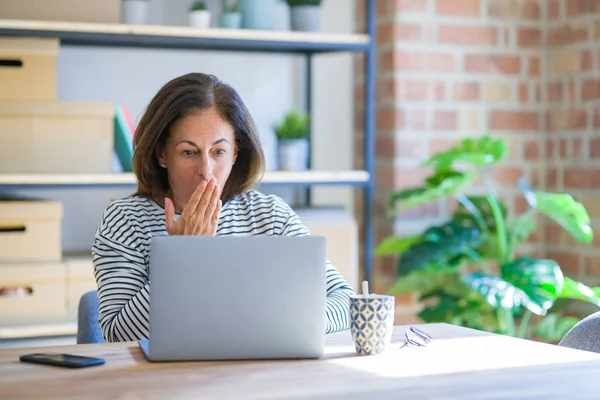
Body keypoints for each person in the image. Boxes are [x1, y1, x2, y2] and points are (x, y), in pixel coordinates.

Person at [91, 72, 356, 343]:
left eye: (218, 152)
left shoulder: (270, 216)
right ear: (162, 154)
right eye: (189, 152)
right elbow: (120, 335)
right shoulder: (125, 221)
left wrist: (288, 320)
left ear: (236, 154)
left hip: (254, 375)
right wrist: (184, 257)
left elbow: (346, 303)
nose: (205, 171)